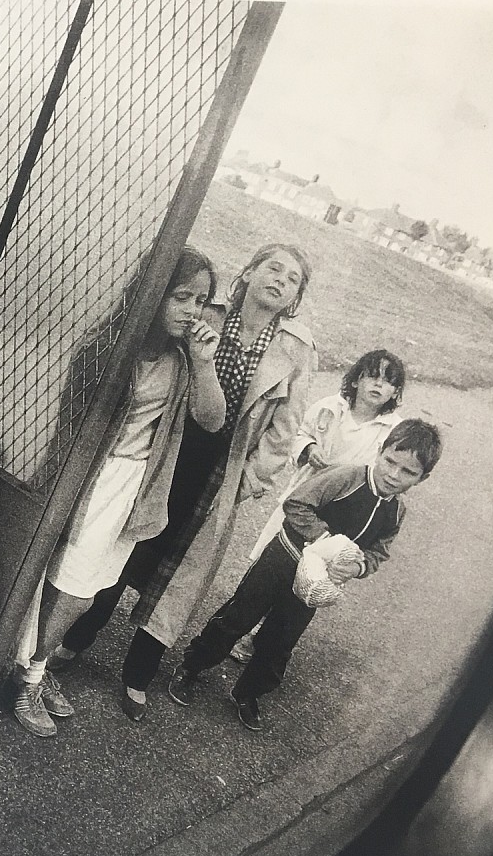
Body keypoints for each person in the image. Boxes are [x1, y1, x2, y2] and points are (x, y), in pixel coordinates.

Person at [52, 243, 317, 721]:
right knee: (128, 544)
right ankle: (74, 640)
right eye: (272, 268)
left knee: (179, 576)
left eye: (292, 278)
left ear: (296, 295)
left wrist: (250, 481)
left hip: (223, 472)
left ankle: (137, 674)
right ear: (250, 271)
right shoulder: (207, 311)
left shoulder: (296, 350)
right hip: (169, 446)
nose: (279, 280)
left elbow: (285, 429)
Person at [12, 247, 226, 736]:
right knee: (72, 586)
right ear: (152, 292)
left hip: (138, 485)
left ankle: (35, 666)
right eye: (181, 296)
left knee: (90, 588)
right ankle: (28, 675)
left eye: (201, 300)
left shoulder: (182, 357)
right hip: (96, 480)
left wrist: (204, 362)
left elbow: (211, 420)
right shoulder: (109, 346)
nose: (192, 310)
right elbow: (74, 426)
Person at [167, 418, 442, 731]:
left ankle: (249, 692)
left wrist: (356, 566)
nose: (394, 475)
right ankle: (192, 665)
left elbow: (379, 551)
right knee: (239, 616)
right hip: (284, 557)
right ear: (380, 451)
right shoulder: (348, 477)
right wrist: (323, 539)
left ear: (423, 477)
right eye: (390, 461)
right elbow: (296, 503)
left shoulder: (396, 512)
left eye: (408, 472)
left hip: (316, 581)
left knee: (282, 639)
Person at [231, 349, 405, 663]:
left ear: (395, 392)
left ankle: (261, 638)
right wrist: (308, 448)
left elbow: (385, 471)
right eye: (372, 376)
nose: (378, 385)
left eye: (388, 382)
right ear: (357, 378)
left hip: (343, 515)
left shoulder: (391, 429)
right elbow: (299, 431)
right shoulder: (329, 408)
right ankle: (243, 621)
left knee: (309, 574)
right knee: (271, 561)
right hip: (306, 498)